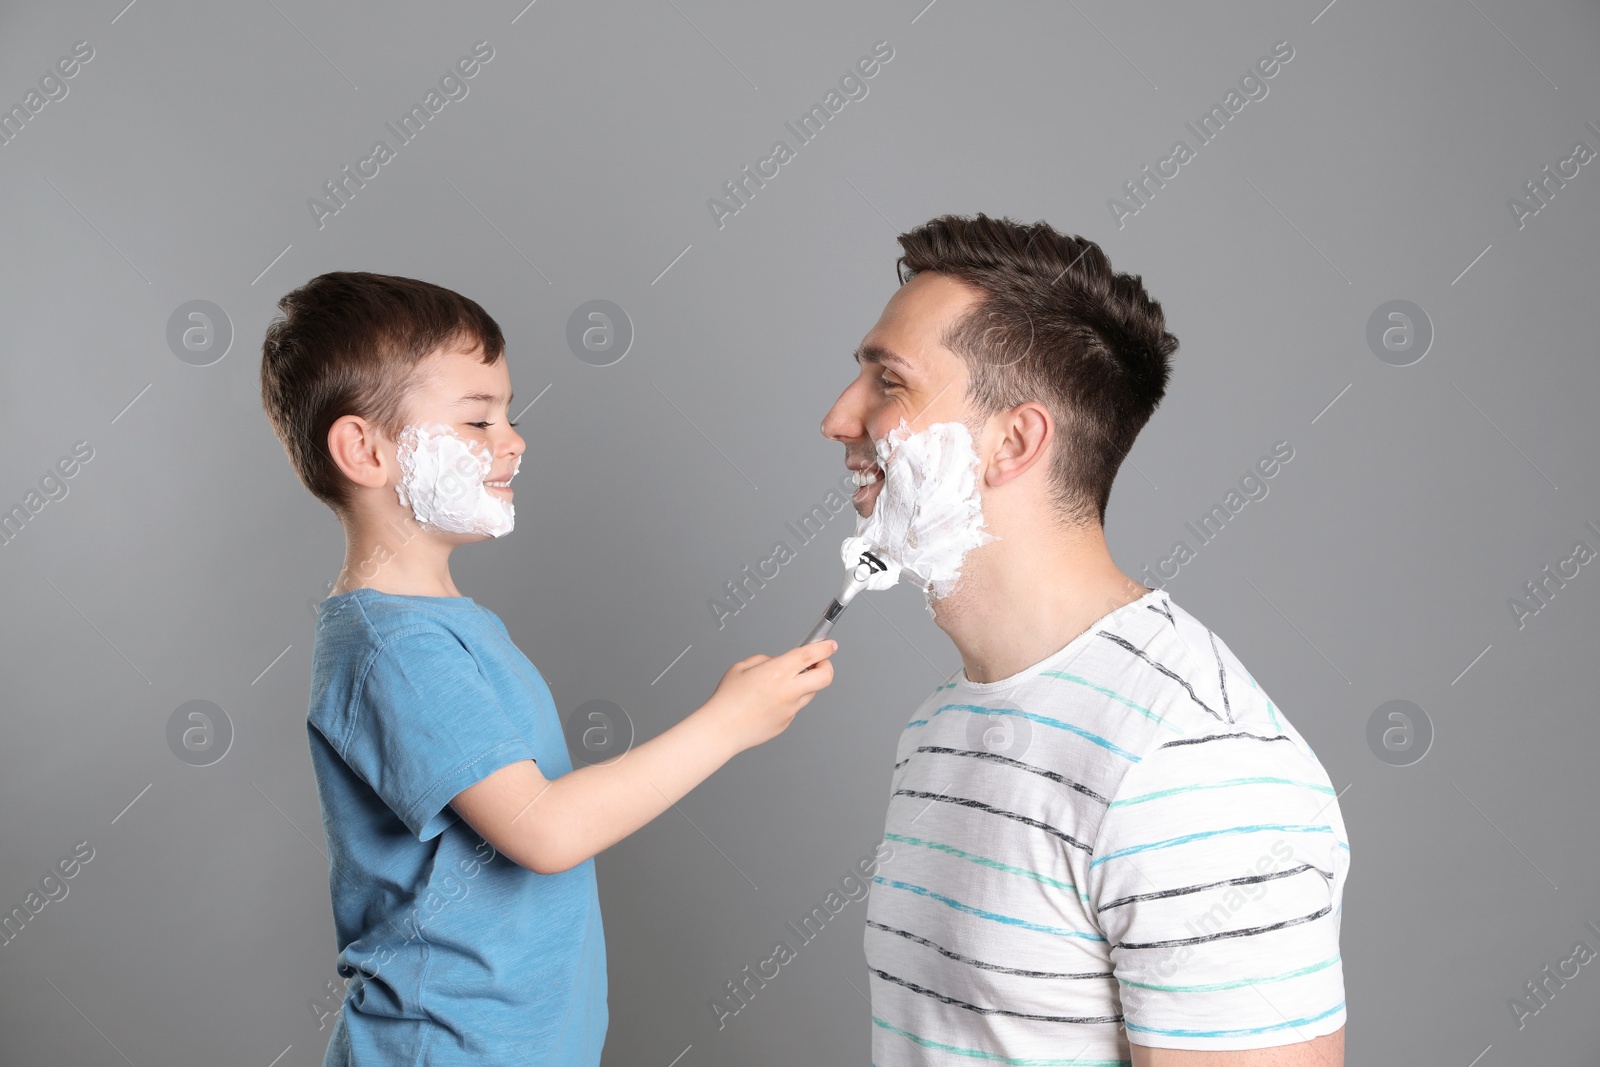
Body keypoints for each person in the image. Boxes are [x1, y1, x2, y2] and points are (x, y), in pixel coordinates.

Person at [259, 271, 836, 1066]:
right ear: (366, 450)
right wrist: (726, 725)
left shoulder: (446, 628)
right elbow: (544, 828)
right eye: (477, 418)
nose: (513, 438)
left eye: (509, 412)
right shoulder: (396, 649)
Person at [822, 215, 1348, 1065]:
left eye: (889, 381)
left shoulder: (1195, 761)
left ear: (1015, 440)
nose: (839, 418)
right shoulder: (940, 724)